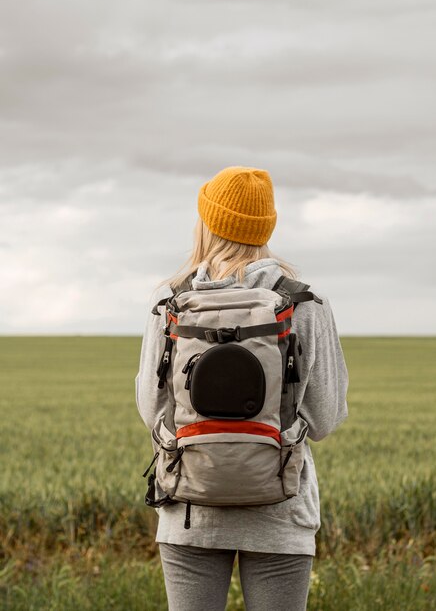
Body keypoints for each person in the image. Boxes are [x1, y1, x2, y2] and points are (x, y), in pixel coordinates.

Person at [135, 165, 349, 611]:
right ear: (267, 225)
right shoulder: (305, 303)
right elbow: (325, 417)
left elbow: (151, 407)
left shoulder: (169, 301)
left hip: (190, 509)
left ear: (207, 222)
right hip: (280, 509)